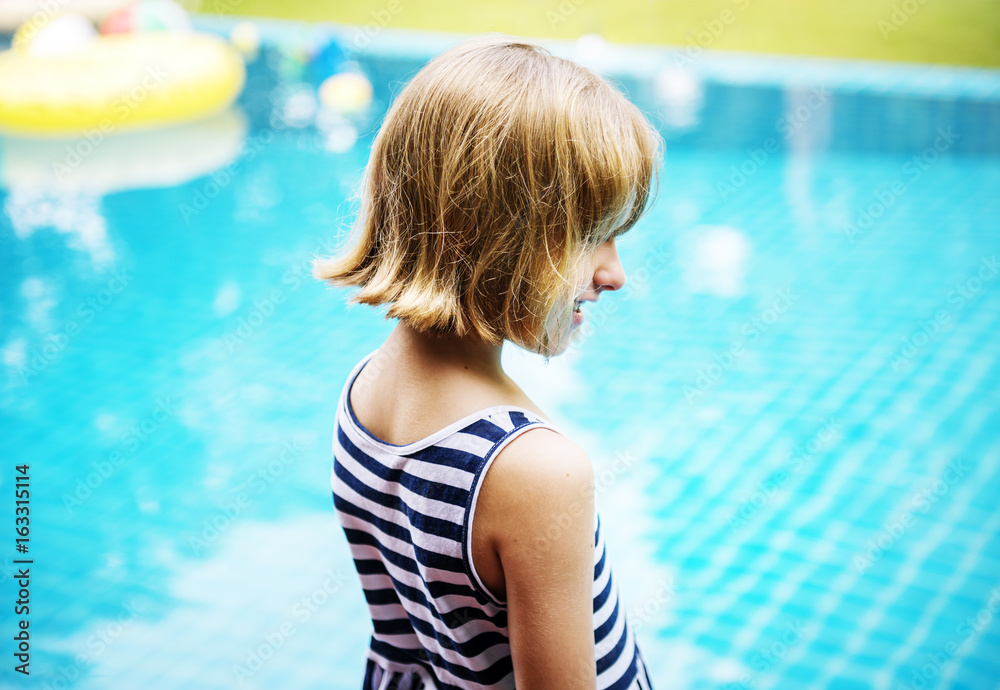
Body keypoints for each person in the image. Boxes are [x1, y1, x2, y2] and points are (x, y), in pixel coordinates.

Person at [313, 34, 660, 690]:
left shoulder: (363, 393)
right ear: (499, 235)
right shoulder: (533, 470)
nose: (614, 274)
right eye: (592, 236)